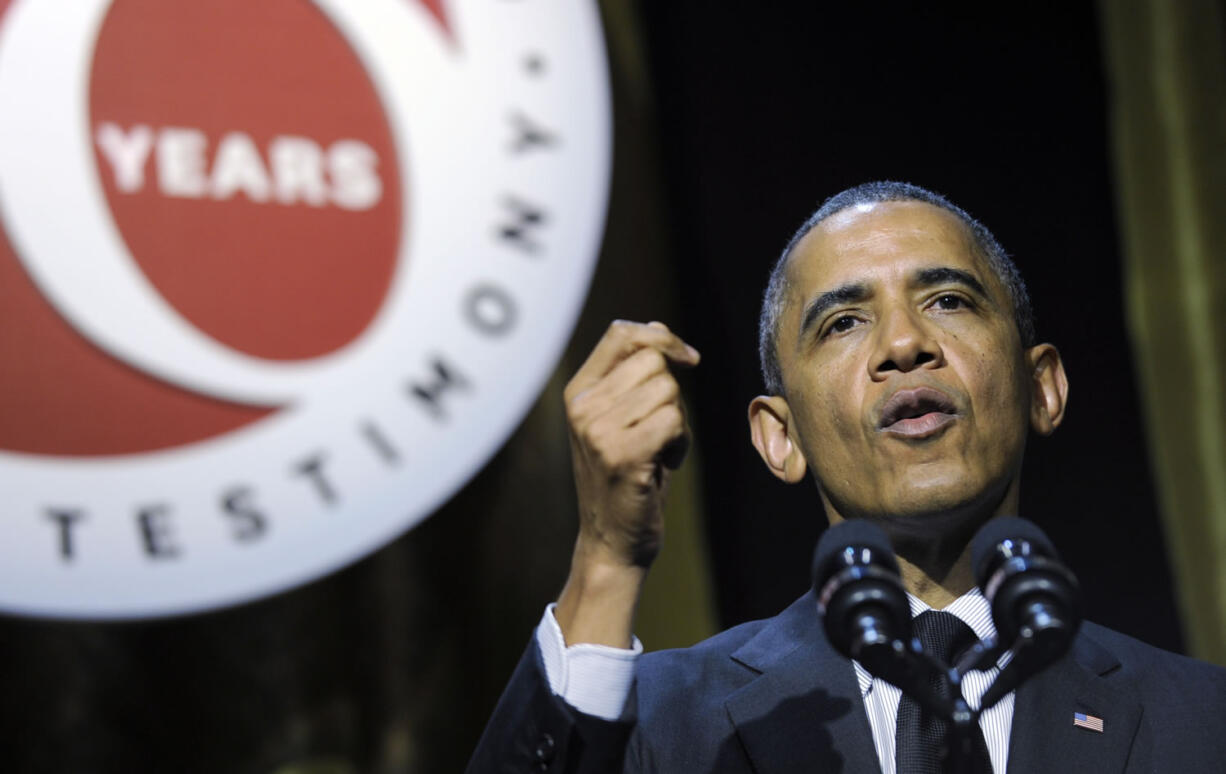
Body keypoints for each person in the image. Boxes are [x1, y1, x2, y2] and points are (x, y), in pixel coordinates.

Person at [466, 182, 1226, 773]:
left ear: (1043, 389)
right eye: (843, 322)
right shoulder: (667, 724)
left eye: (949, 301)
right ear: (779, 438)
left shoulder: (1201, 721)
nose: (903, 344)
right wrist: (606, 557)